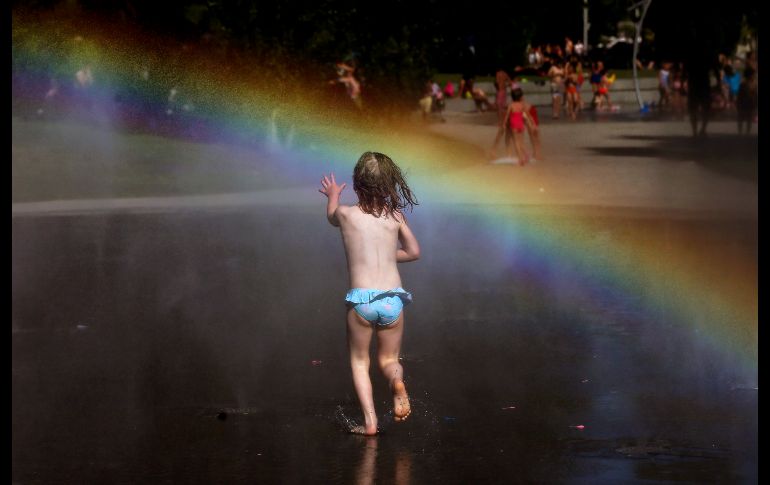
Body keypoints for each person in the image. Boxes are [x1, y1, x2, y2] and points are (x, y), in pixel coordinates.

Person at [318, 152, 420, 436]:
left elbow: (330, 217)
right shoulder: (395, 217)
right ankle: (397, 384)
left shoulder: (346, 214)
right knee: (389, 361)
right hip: (393, 300)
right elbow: (414, 252)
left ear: (356, 183)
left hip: (362, 301)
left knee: (359, 361)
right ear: (388, 185)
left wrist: (333, 195)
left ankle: (370, 422)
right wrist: (387, 256)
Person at [505, 88, 535, 165]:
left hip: (514, 125)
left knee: (516, 143)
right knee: (521, 142)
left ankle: (520, 159)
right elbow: (528, 115)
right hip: (521, 125)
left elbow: (507, 115)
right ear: (521, 97)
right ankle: (526, 155)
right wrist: (532, 123)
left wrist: (504, 123)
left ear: (512, 97)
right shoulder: (522, 105)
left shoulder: (511, 105)